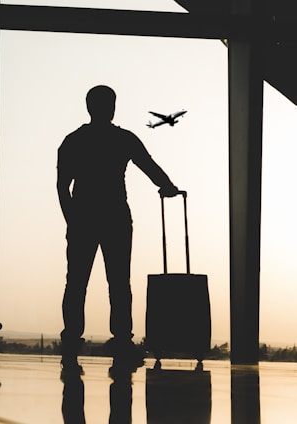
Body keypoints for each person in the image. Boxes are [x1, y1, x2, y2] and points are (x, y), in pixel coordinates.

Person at [57, 85, 180, 375]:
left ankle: (71, 340)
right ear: (112, 107)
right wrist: (168, 185)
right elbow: (147, 165)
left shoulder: (73, 141)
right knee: (119, 283)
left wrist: (72, 220)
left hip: (83, 217)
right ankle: (122, 341)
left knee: (76, 283)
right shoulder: (122, 139)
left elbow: (63, 187)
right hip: (115, 217)